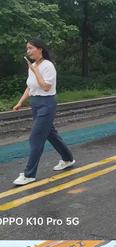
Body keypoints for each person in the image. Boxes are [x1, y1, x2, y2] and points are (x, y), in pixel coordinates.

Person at [12, 38, 75, 186]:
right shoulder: (32, 66)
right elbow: (30, 87)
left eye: (30, 48)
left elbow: (46, 87)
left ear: (40, 49)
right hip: (35, 104)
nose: (28, 51)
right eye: (27, 49)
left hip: (47, 104)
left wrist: (35, 71)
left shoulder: (48, 66)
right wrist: (20, 102)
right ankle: (68, 159)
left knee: (36, 137)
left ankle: (29, 174)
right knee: (51, 134)